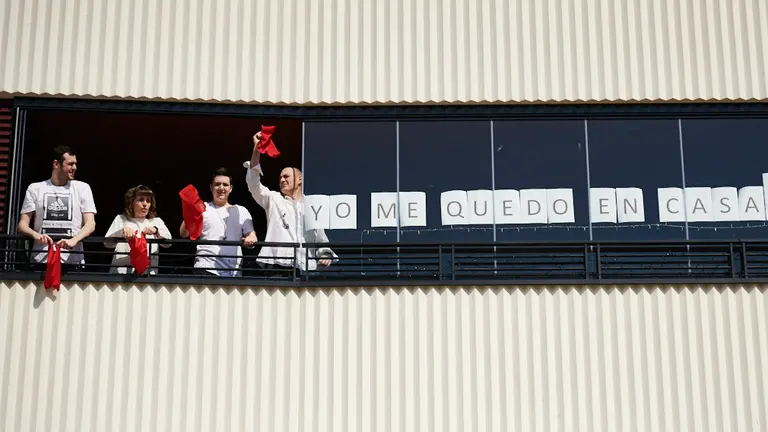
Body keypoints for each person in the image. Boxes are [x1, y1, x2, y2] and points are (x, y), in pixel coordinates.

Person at [244, 131, 336, 276]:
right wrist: (256, 150)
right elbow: (253, 184)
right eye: (280, 177)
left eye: (286, 176)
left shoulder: (313, 206)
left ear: (299, 179)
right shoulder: (274, 199)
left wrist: (325, 255)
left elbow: (321, 240)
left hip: (306, 268)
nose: (281, 180)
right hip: (276, 267)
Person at [17, 145, 97, 270]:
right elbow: (22, 224)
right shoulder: (35, 188)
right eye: (70, 164)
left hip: (72, 260)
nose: (74, 168)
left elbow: (91, 224)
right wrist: (35, 235)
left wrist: (74, 240)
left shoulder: (82, 188)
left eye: (75, 164)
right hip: (41, 260)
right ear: (56, 164)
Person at [180, 167, 258, 277]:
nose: (221, 188)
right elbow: (184, 233)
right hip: (205, 269)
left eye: (225, 185)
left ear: (230, 188)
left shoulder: (241, 210)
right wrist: (190, 213)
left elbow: (251, 234)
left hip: (233, 272)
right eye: (217, 184)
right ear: (211, 187)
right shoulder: (203, 208)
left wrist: (251, 239)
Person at [104, 185, 172, 275]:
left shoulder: (157, 221)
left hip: (148, 274)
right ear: (131, 202)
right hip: (121, 274)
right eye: (141, 200)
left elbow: (168, 243)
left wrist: (156, 231)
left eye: (148, 201)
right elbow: (107, 243)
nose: (145, 204)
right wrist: (121, 232)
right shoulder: (121, 219)